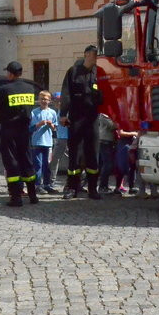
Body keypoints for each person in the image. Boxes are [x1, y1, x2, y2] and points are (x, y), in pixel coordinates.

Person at [0, 61, 39, 207]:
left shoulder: (4, 89)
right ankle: (33, 195)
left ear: (11, 74)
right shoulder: (30, 88)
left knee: (11, 162)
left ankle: (16, 197)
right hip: (24, 130)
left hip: (9, 129)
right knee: (27, 160)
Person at [59, 45, 103, 200]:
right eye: (93, 54)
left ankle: (92, 188)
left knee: (92, 154)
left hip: (92, 119)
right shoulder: (73, 72)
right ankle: (72, 188)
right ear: (86, 54)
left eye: (97, 55)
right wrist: (63, 114)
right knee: (75, 155)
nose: (95, 57)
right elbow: (66, 94)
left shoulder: (99, 73)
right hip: (76, 118)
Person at [30, 90, 59, 195]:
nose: (43, 101)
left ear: (49, 101)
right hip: (37, 142)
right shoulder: (34, 112)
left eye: (45, 99)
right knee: (38, 165)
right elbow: (31, 128)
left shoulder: (52, 112)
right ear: (38, 100)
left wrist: (51, 125)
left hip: (48, 143)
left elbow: (55, 128)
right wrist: (40, 124)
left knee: (47, 165)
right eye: (41, 99)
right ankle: (37, 185)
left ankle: (47, 184)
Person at [97, 112, 117, 193]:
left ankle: (104, 185)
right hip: (104, 141)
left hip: (108, 141)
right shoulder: (104, 115)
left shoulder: (108, 115)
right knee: (107, 164)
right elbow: (112, 126)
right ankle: (102, 186)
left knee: (106, 164)